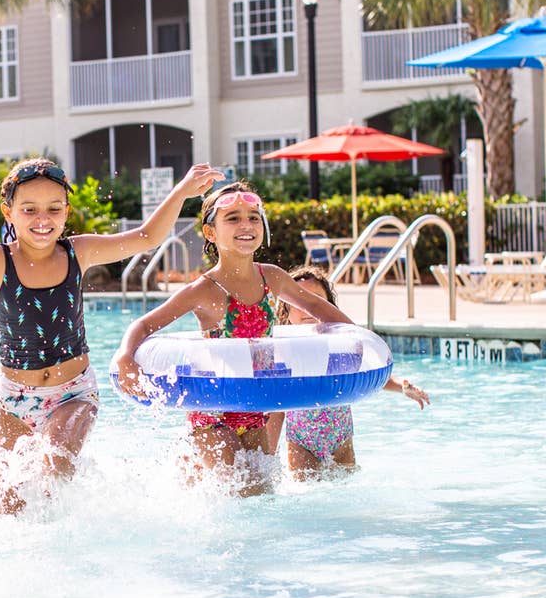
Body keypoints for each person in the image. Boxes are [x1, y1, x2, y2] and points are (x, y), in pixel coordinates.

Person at [0, 157, 222, 514]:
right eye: (29, 209)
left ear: (66, 211)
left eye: (53, 209)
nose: (42, 219)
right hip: (14, 400)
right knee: (10, 507)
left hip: (72, 392)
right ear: (8, 212)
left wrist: (182, 191)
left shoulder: (79, 252)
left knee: (54, 468)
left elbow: (147, 237)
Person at [113, 182, 358, 497]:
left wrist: (357, 339)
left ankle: (189, 471)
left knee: (262, 496)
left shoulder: (272, 277)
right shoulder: (204, 289)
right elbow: (145, 324)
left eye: (254, 217)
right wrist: (125, 357)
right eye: (233, 218)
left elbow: (316, 307)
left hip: (252, 410)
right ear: (211, 232)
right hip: (212, 411)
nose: (246, 225)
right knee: (239, 495)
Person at [271, 266, 429, 479]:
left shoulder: (339, 345)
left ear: (327, 306)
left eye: (314, 299)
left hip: (341, 438)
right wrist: (267, 456)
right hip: (301, 443)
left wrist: (401, 386)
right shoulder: (284, 350)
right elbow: (276, 406)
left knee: (344, 489)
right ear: (286, 311)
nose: (307, 307)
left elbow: (367, 374)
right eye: (298, 303)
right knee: (305, 494)